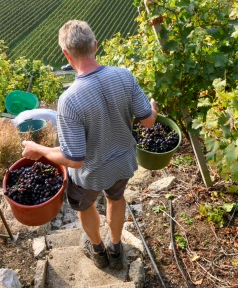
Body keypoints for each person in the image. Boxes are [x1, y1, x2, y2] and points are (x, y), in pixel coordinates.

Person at [22, 20, 158, 269]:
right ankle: (116, 249)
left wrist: (38, 149)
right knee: (116, 200)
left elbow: (74, 158)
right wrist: (152, 107)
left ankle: (98, 251)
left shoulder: (69, 100)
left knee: (85, 207)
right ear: (95, 45)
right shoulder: (124, 76)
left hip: (90, 175)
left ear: (66, 54)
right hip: (123, 163)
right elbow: (149, 121)